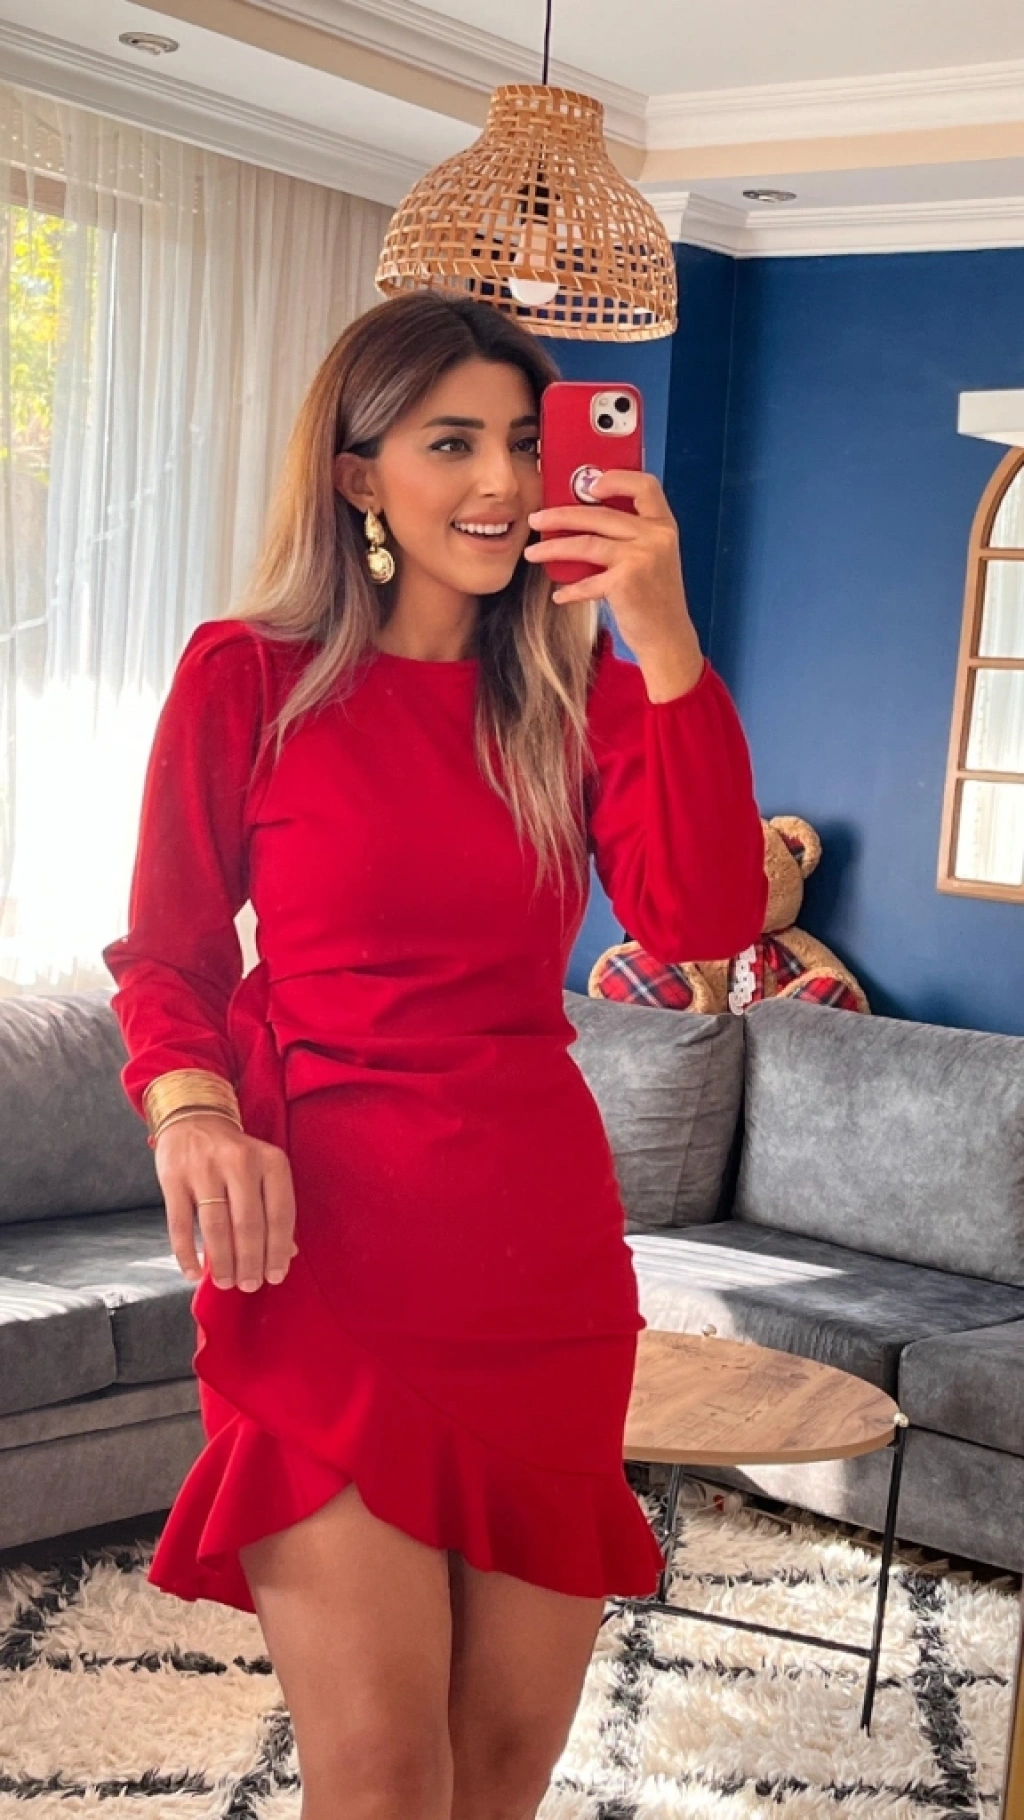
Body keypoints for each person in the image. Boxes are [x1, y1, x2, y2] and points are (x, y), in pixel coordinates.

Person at [103, 290, 768, 1820]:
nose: (502, 482)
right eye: (451, 442)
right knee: (387, 1774)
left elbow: (705, 923)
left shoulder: (582, 702)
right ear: (360, 476)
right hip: (323, 1257)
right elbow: (171, 954)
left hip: (540, 1263)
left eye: (526, 444)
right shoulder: (248, 676)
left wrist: (665, 636)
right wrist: (192, 1115)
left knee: (502, 1766)